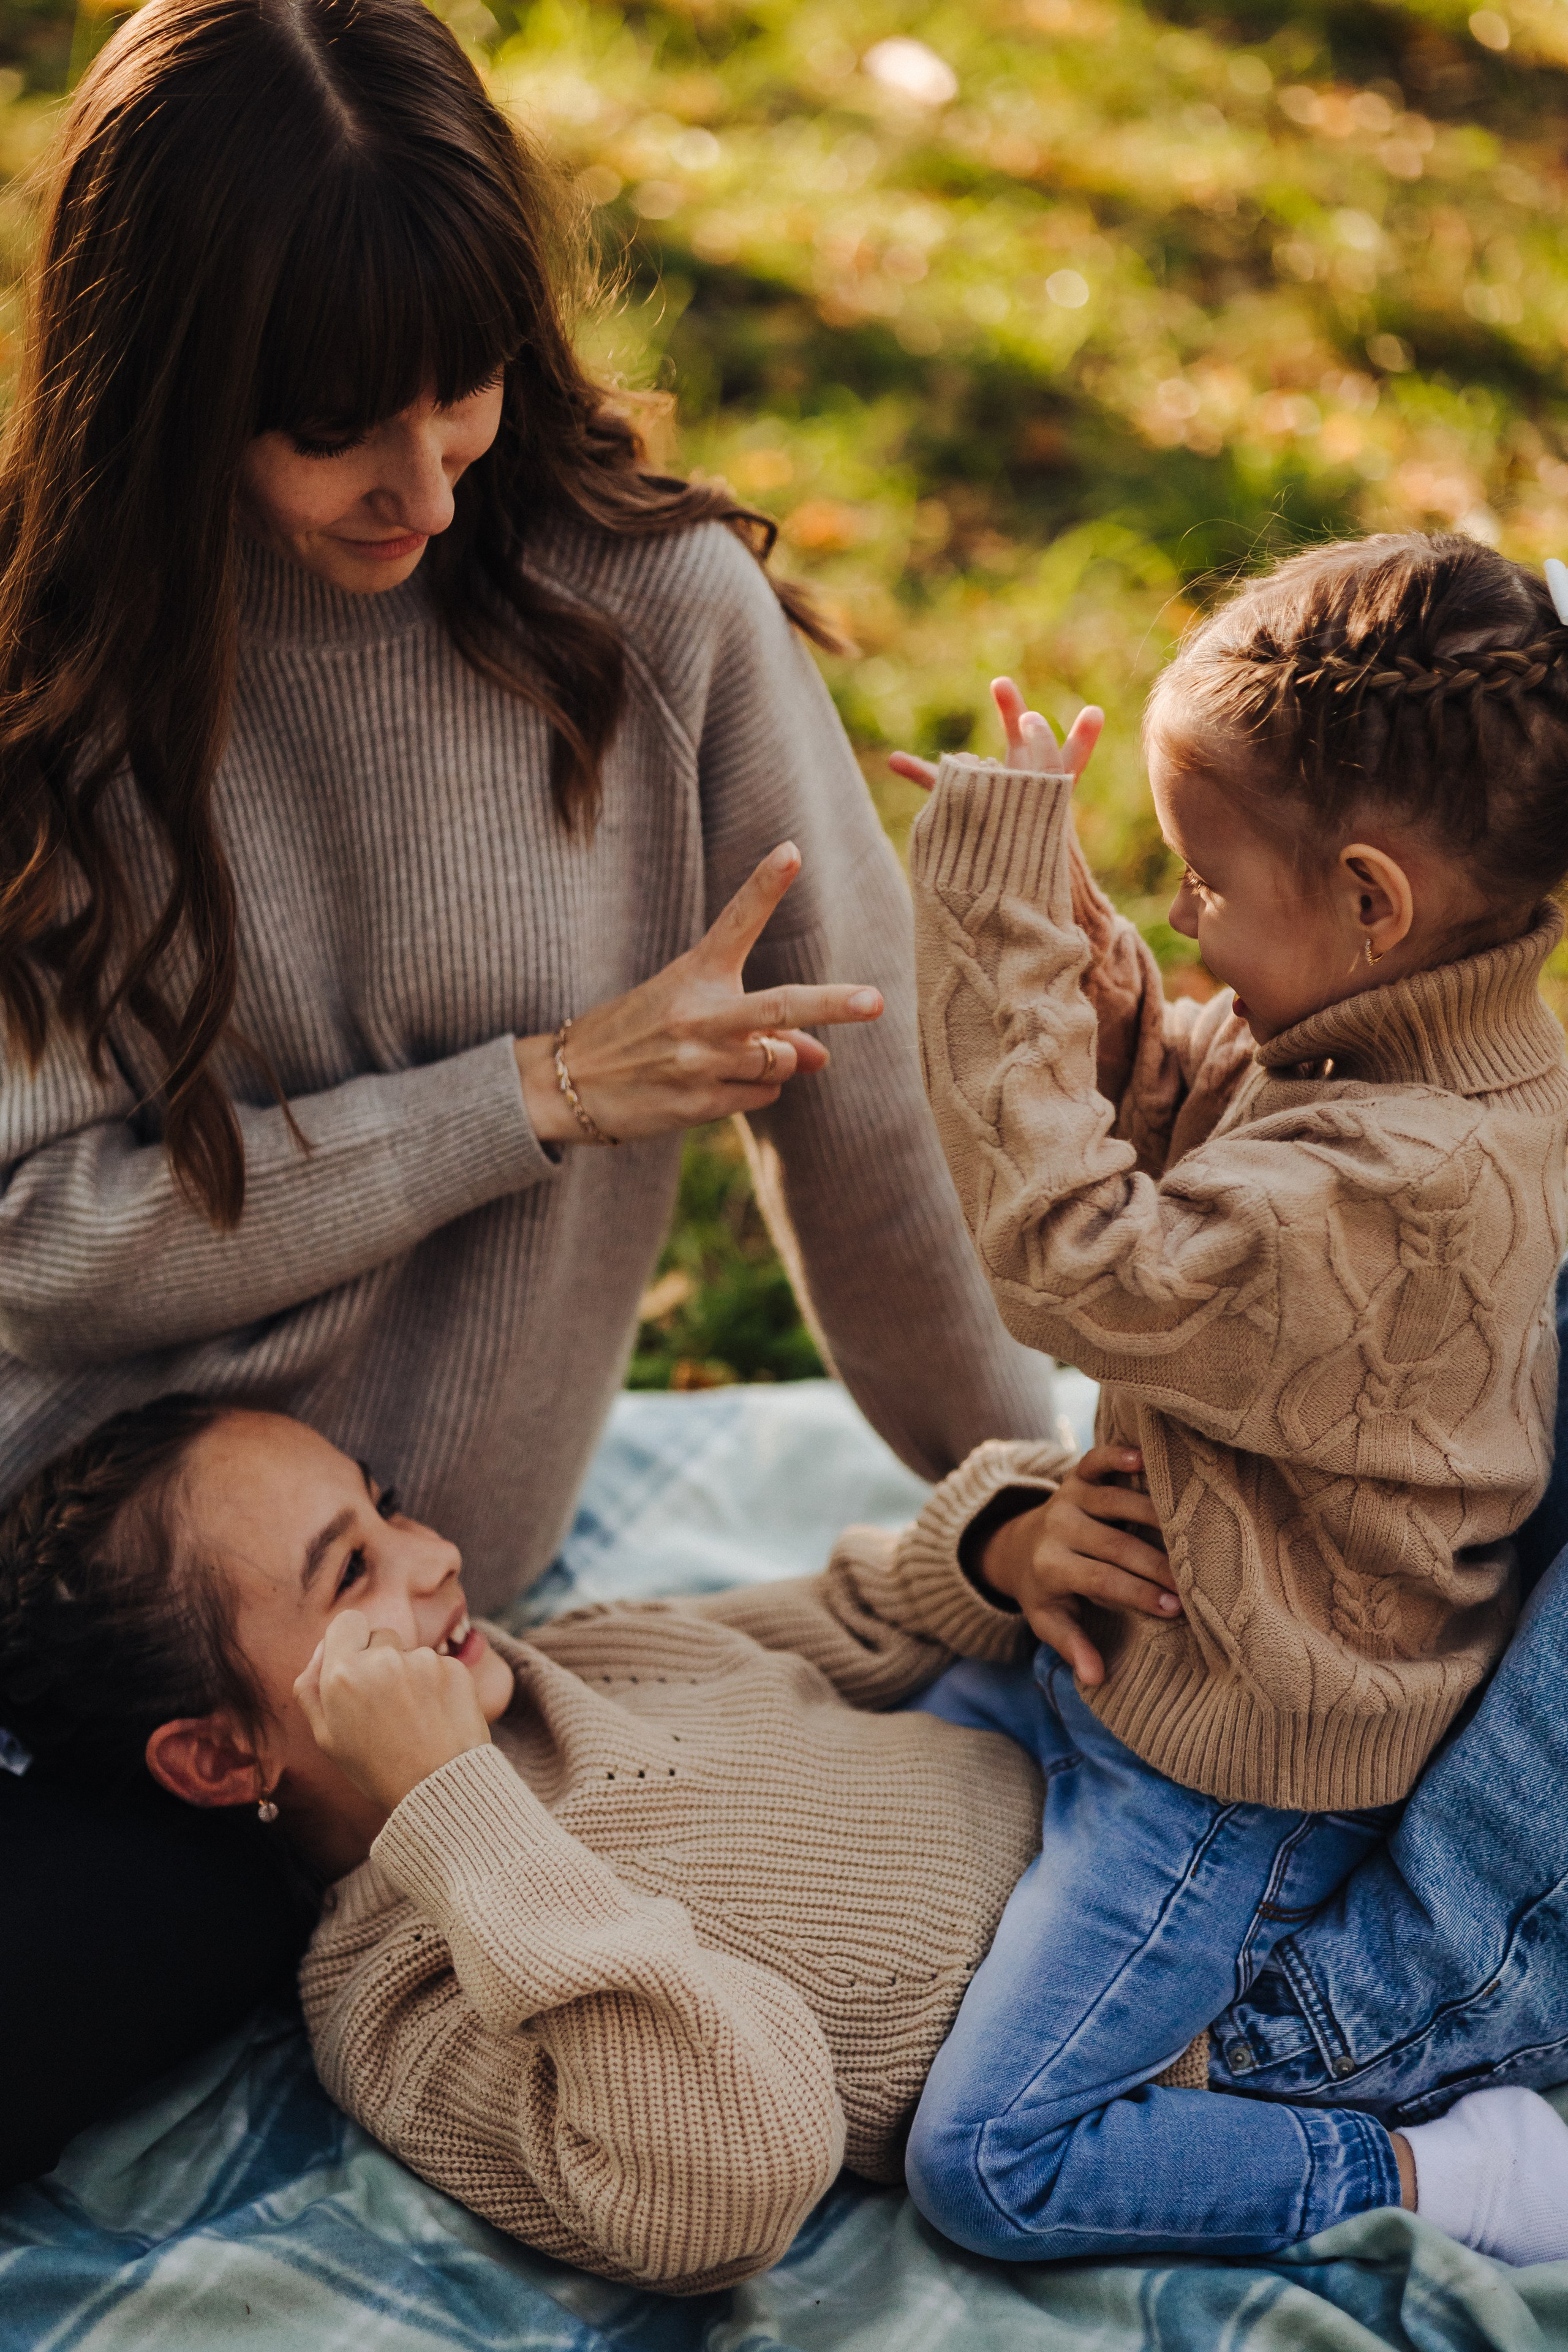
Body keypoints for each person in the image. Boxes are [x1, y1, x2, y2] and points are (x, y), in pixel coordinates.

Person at [0, 0, 1052, 2176]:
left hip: (326, 1683)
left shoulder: (659, 619)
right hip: (50, 1516)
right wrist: (533, 1097)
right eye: (327, 428)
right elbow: (41, 1242)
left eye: (462, 386)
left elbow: (865, 1130)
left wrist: (1018, 1508)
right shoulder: (55, 677)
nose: (422, 479)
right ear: (171, 392)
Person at [888, 532, 1568, 2263]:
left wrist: (978, 929)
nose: (1185, 914)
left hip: (1227, 1787)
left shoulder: (1412, 1178)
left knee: (989, 2160)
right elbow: (1226, 1110)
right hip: (1143, 1666)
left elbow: (1081, 1260)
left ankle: (1442, 2178)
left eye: (1202, 884)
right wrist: (1104, 985)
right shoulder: (1414, 1033)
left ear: (1368, 899)